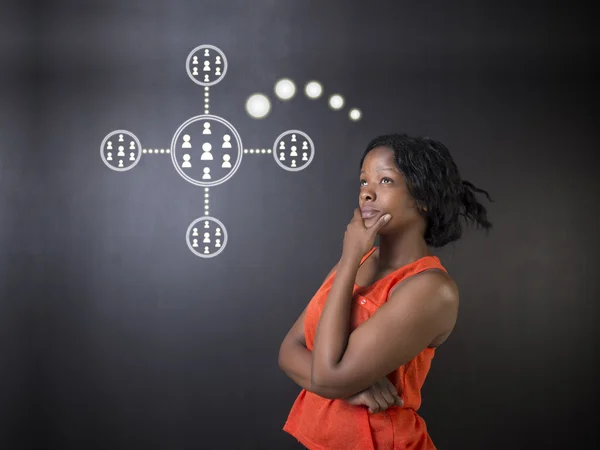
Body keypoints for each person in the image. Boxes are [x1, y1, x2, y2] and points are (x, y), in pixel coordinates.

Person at [278, 133, 493, 449]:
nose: (367, 194)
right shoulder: (360, 260)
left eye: (386, 181)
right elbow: (289, 350)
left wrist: (349, 256)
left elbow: (325, 376)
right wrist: (351, 387)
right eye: (364, 182)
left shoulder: (431, 289)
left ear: (424, 198)